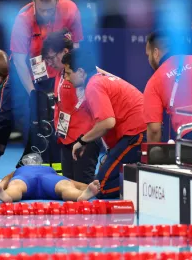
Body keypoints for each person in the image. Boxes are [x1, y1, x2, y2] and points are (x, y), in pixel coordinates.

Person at [0, 0, 84, 184]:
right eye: (42, 10)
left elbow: (76, 47)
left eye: (50, 10)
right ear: (33, 1)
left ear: (57, 1)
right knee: (6, 117)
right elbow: (19, 61)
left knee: (58, 118)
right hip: (26, 71)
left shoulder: (70, 9)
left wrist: (68, 77)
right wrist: (32, 93)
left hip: (56, 70)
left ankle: (61, 169)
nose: (46, 14)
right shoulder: (22, 19)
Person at [62, 49, 147, 199]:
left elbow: (107, 123)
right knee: (99, 180)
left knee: (101, 188)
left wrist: (81, 141)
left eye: (68, 73)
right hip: (134, 133)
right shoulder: (99, 79)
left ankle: (147, 182)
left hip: (136, 133)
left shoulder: (93, 86)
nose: (66, 79)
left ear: (81, 72)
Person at [144, 30, 192, 163]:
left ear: (156, 53)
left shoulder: (154, 81)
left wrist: (153, 161)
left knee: (176, 169)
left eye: (148, 55)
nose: (148, 59)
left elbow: (154, 129)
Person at [41, 29, 101, 183]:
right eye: (46, 59)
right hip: (65, 138)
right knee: (68, 186)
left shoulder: (81, 74)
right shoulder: (60, 73)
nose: (49, 63)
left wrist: (86, 140)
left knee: (83, 186)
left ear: (65, 51)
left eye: (51, 58)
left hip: (84, 139)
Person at [0, 153, 100, 202]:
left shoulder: (18, 171)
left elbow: (0, 185)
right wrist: (86, 188)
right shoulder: (50, 170)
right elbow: (73, 182)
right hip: (50, 179)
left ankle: (7, 197)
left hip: (25, 178)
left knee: (15, 187)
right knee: (65, 186)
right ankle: (79, 196)